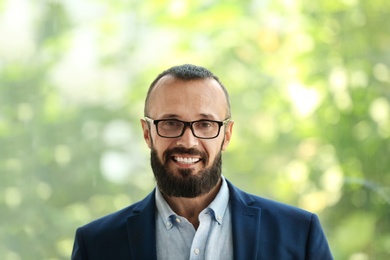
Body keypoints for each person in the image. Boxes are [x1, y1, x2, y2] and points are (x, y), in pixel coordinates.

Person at [71, 64, 333, 259]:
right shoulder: (96, 245)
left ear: (226, 135)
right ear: (146, 132)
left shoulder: (300, 234)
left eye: (205, 124)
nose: (189, 141)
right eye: (171, 123)